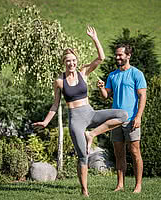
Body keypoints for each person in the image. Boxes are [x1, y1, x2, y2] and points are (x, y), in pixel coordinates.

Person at [33, 26, 128, 197]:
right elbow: (55, 105)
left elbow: (101, 58)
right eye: (68, 60)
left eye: (73, 60)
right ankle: (84, 190)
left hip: (90, 113)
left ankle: (91, 134)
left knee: (122, 115)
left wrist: (95, 38)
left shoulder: (83, 72)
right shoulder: (59, 81)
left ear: (77, 61)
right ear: (64, 62)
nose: (71, 63)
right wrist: (46, 122)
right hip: (76, 120)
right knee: (83, 156)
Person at [97, 43, 147, 193]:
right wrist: (101, 87)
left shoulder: (136, 74)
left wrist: (138, 117)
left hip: (131, 119)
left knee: (135, 152)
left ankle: (138, 186)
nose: (117, 57)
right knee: (119, 153)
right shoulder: (112, 75)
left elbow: (142, 96)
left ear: (128, 56)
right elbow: (106, 96)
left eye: (120, 55)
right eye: (116, 55)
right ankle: (120, 185)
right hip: (115, 120)